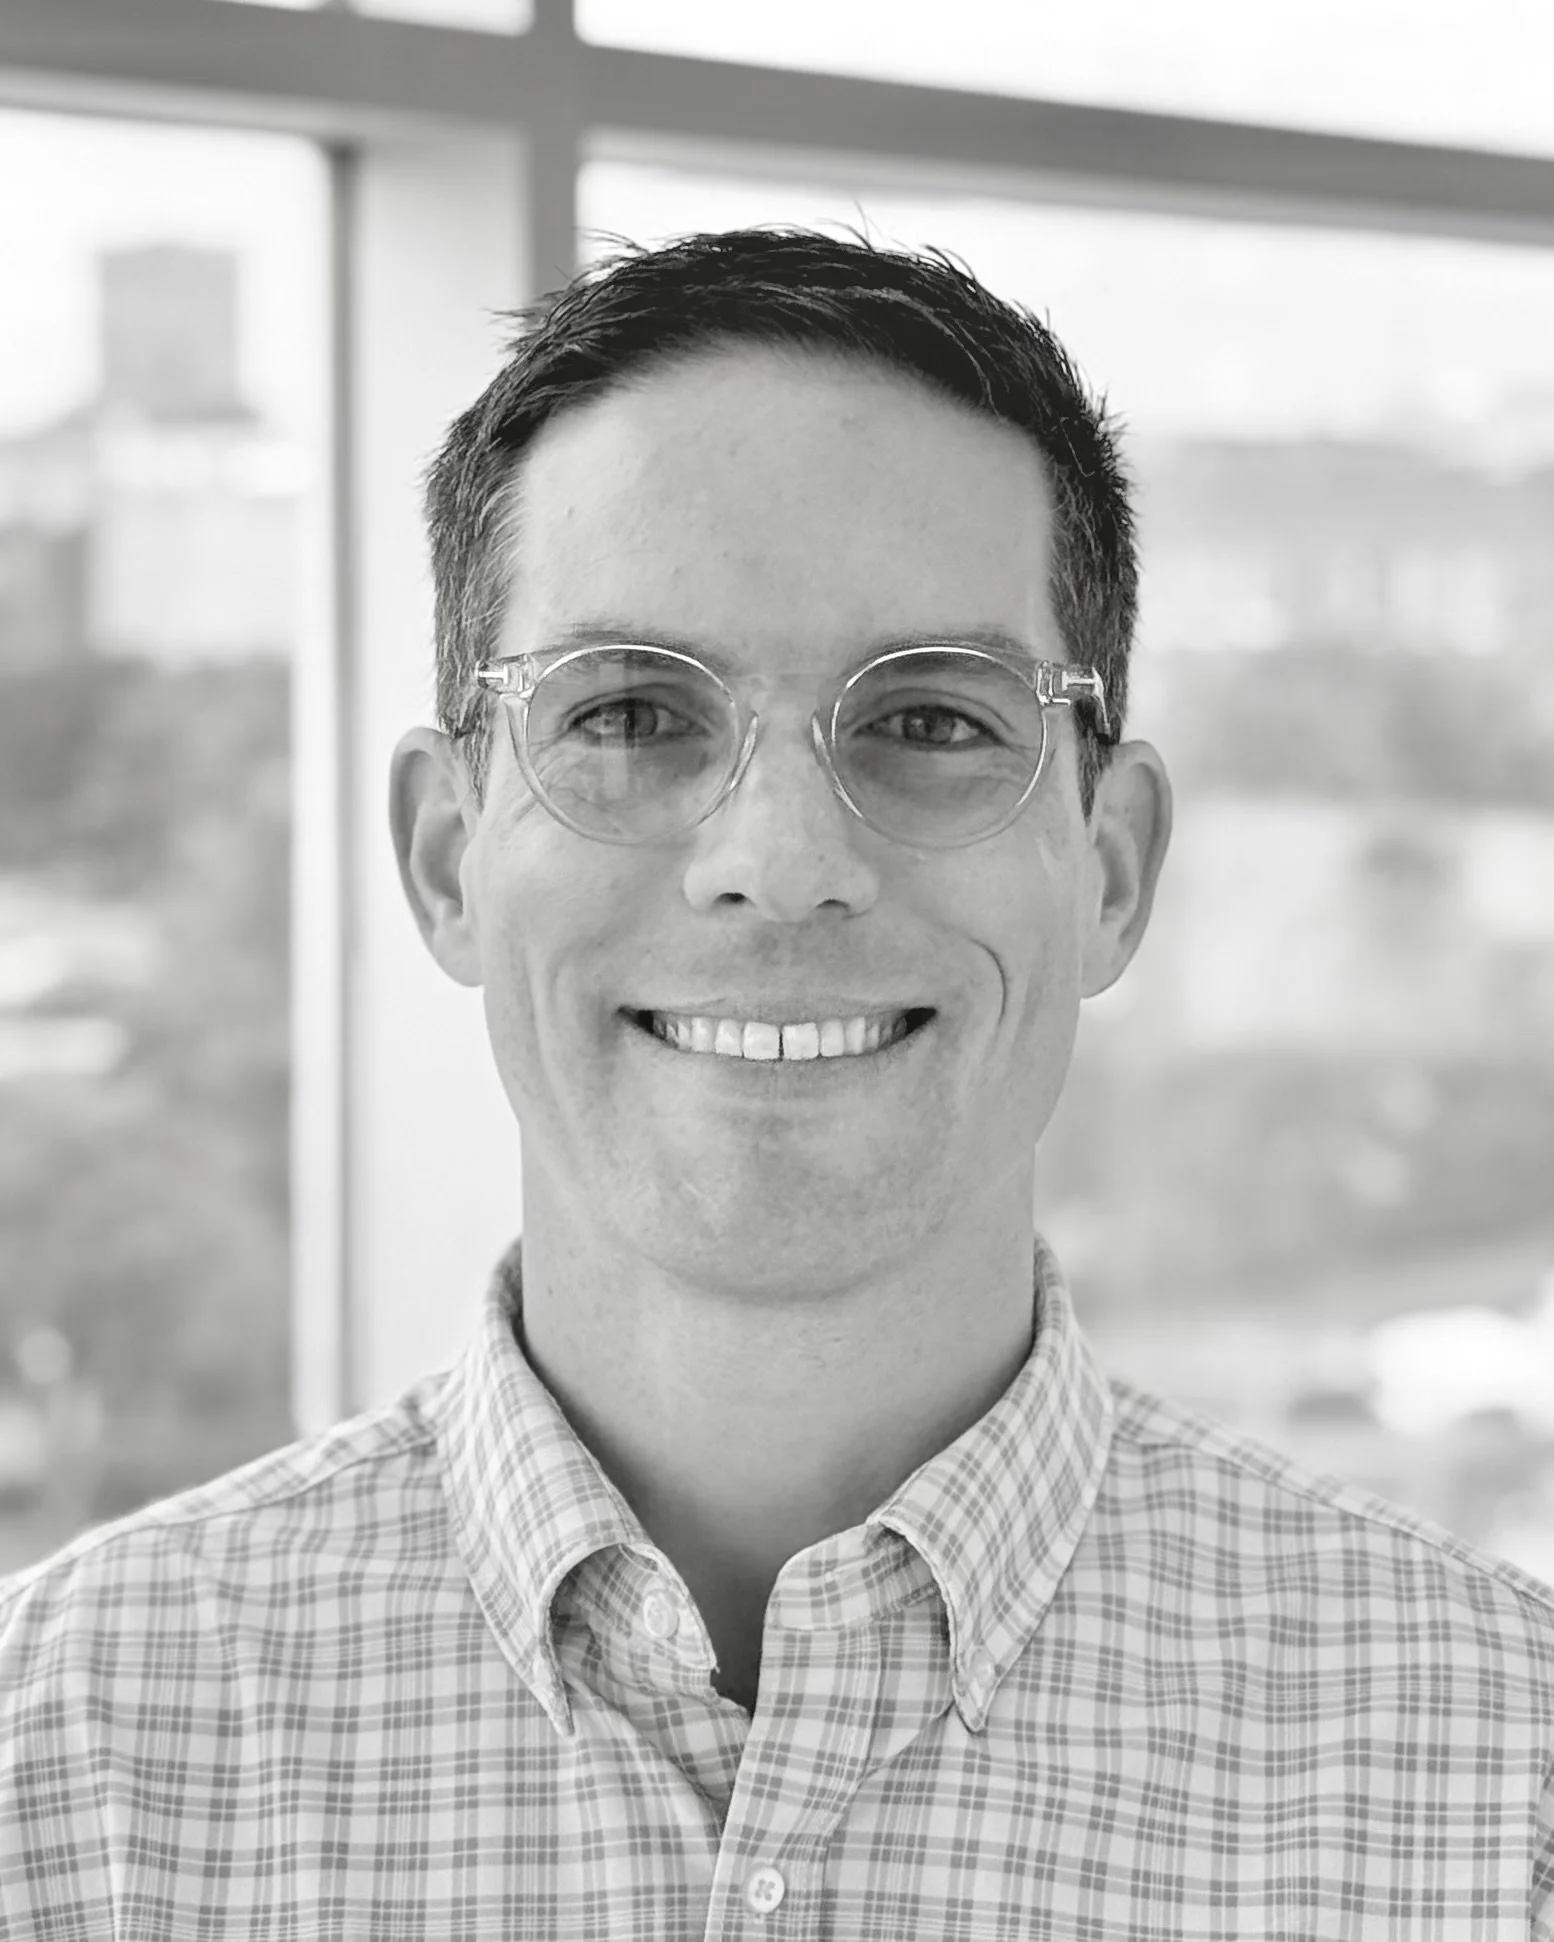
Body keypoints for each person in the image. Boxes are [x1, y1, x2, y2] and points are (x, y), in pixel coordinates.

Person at [2, 226, 1551, 1938]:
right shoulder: (55, 1774)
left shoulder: (1505, 1780)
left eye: (934, 720)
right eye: (631, 714)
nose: (781, 859)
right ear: (446, 859)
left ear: (1110, 871)